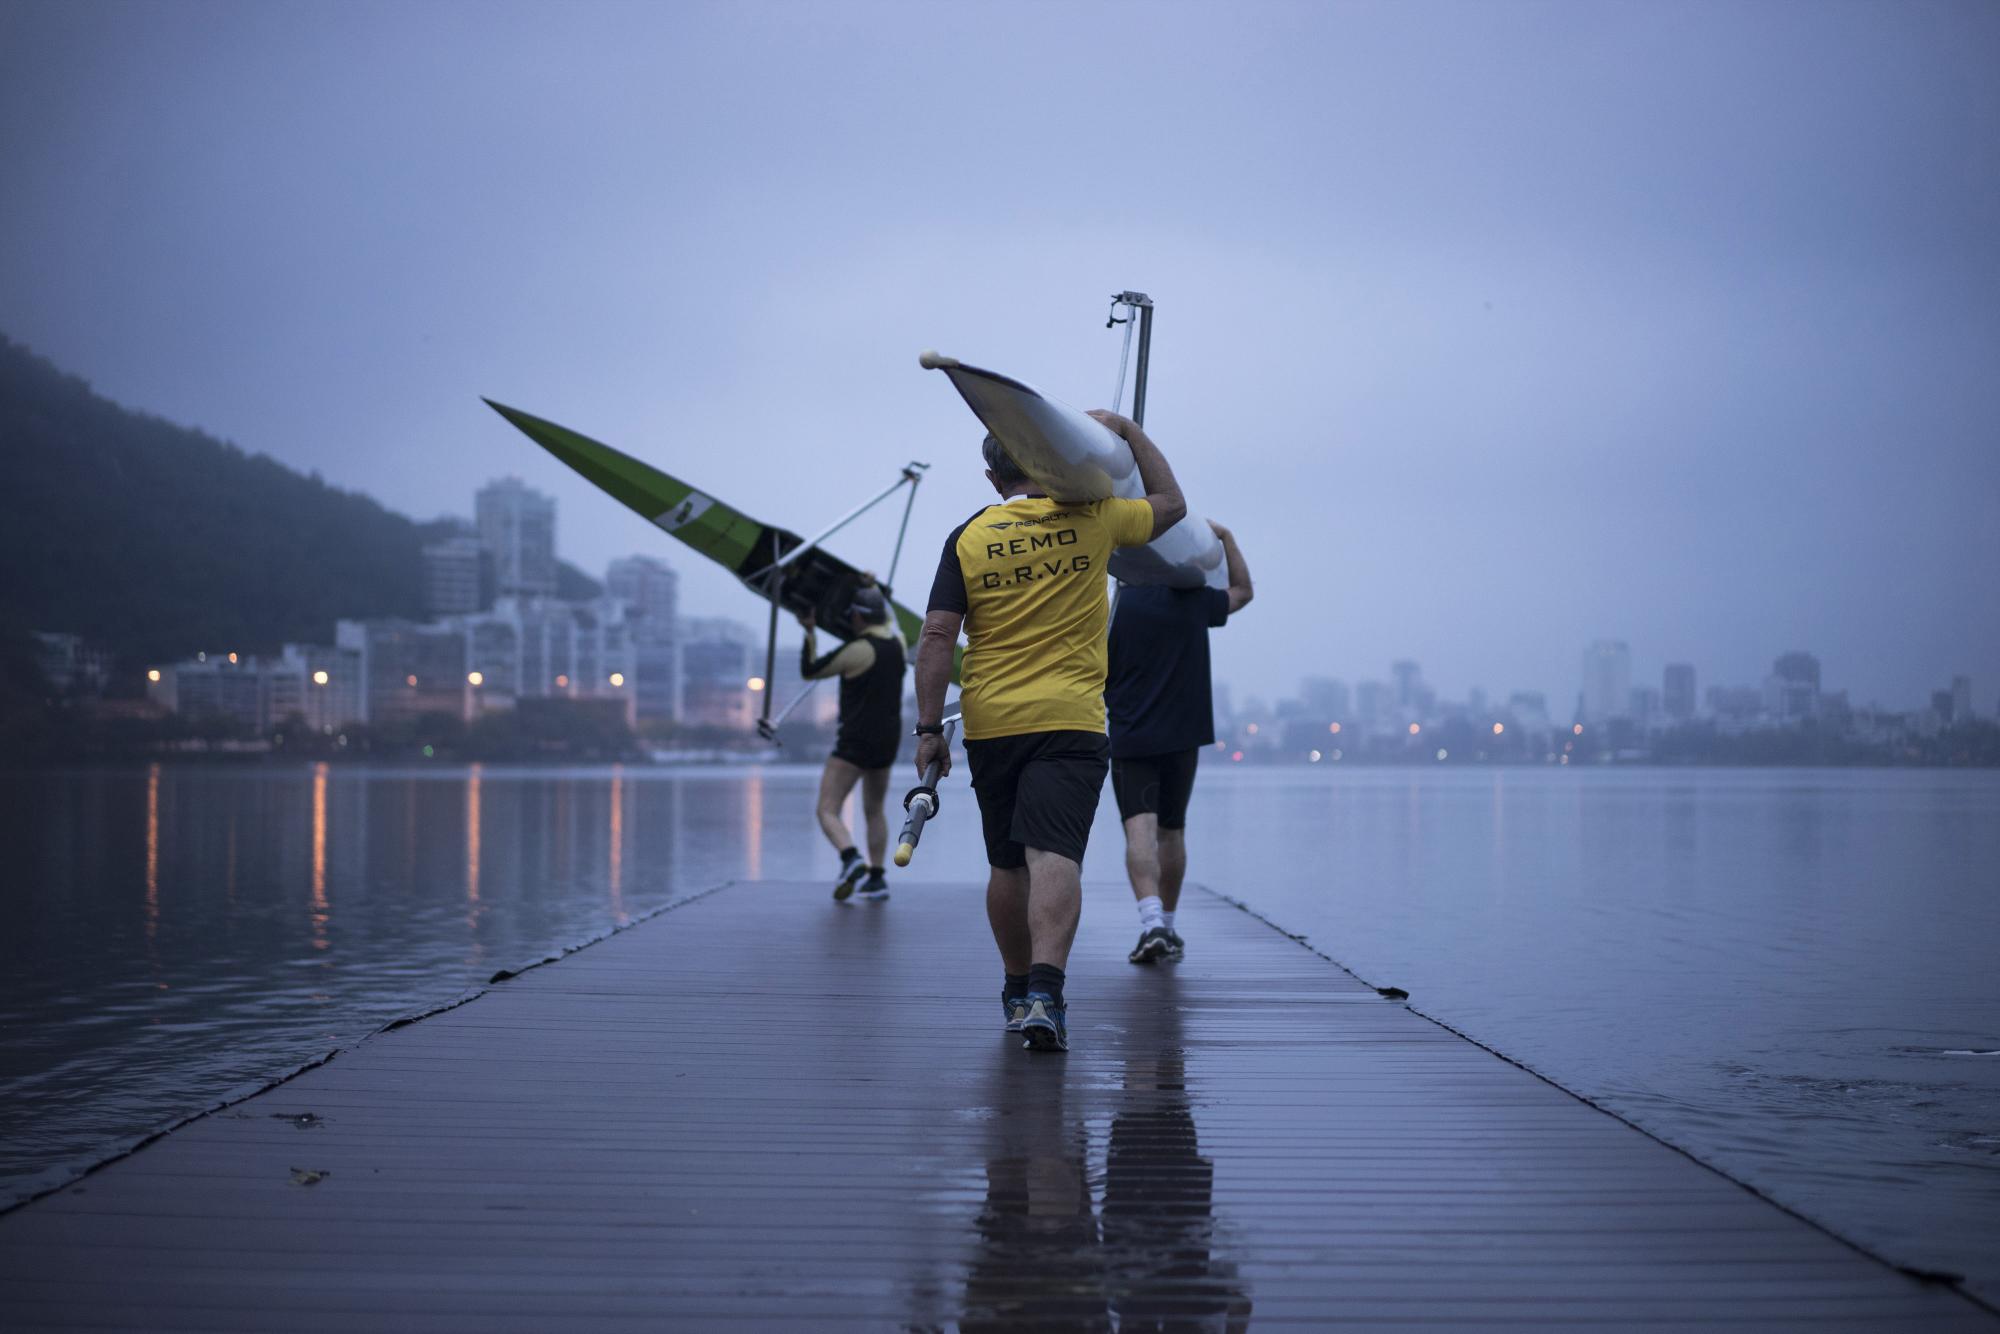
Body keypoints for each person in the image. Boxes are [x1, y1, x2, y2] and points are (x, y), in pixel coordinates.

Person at [914, 412, 1184, 1051]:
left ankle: (1014, 992)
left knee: (1007, 862)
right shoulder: (1094, 516)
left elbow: (935, 637)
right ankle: (1045, 993)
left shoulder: (967, 536)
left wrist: (928, 728)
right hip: (1070, 719)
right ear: (1046, 465)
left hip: (992, 720)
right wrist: (1127, 432)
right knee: (1054, 856)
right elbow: (1171, 505)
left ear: (991, 476)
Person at [1106, 521, 1253, 964]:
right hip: (1184, 736)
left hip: (1131, 735)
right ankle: (1167, 927)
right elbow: (1243, 592)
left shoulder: (1117, 607)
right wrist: (1227, 539)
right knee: (1172, 831)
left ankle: (1151, 924)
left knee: (1139, 831)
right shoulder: (1192, 600)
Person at [798, 582, 907, 902]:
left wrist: (809, 631)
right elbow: (891, 619)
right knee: (874, 809)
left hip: (855, 741)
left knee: (827, 809)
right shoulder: (899, 643)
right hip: (888, 740)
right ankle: (877, 878)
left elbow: (811, 670)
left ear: (858, 617)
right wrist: (875, 588)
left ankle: (850, 858)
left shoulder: (856, 649)